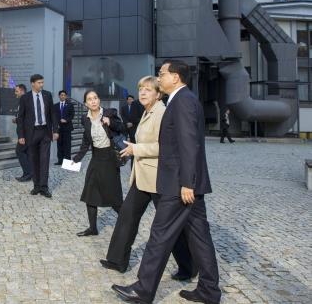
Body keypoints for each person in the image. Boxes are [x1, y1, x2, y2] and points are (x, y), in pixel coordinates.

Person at [112, 60, 221, 304]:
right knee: (200, 237)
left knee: (159, 235)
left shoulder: (182, 101)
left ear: (175, 77)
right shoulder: (182, 99)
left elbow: (188, 144)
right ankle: (209, 290)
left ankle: (143, 290)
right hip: (185, 183)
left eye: (161, 74)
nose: (158, 78)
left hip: (179, 184)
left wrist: (187, 183)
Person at [101, 76, 196, 281]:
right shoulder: (147, 111)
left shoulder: (162, 113)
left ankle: (188, 266)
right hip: (142, 177)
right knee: (127, 216)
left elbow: (166, 147)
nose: (143, 93)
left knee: (169, 226)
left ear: (158, 94)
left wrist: (136, 149)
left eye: (148, 89)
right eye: (141, 89)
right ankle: (117, 260)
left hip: (159, 179)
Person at [72, 90, 125, 236]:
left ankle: (127, 223)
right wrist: (77, 158)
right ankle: (93, 228)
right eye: (90, 99)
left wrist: (111, 122)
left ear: (99, 100)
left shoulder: (109, 113)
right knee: (90, 193)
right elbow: (86, 140)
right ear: (86, 103)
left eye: (95, 98)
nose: (93, 101)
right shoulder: (85, 119)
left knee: (114, 196)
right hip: (96, 158)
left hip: (110, 158)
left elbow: (122, 128)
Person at [16, 74, 59, 198]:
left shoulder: (47, 95)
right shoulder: (25, 98)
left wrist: (55, 130)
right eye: (39, 83)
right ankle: (36, 186)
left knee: (44, 160)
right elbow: (20, 118)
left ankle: (44, 187)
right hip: (31, 133)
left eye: (42, 82)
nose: (42, 85)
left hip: (45, 132)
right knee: (33, 160)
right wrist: (21, 135)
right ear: (32, 83)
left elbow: (53, 114)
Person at [13, 84, 32, 182]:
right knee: (27, 153)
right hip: (27, 132)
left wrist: (21, 135)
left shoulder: (25, 100)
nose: (15, 93)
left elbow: (27, 118)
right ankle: (28, 173)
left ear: (22, 91)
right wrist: (17, 119)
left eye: (16, 91)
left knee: (19, 151)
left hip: (25, 133)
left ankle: (28, 173)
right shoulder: (26, 100)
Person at [53, 90, 75, 165]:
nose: (62, 96)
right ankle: (60, 161)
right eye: (61, 95)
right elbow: (54, 116)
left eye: (64, 95)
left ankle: (67, 161)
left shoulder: (70, 105)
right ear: (59, 96)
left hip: (67, 128)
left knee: (67, 145)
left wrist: (66, 120)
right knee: (59, 145)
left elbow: (72, 115)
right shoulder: (55, 106)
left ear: (66, 96)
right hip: (59, 128)